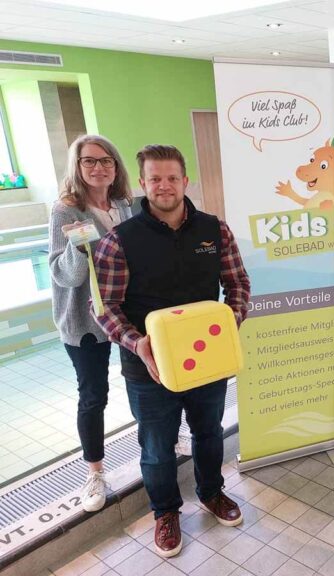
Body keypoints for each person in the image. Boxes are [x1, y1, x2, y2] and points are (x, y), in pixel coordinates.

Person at [93, 145, 251, 558]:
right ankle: (165, 512)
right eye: (155, 179)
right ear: (143, 184)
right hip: (149, 368)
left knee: (210, 433)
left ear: (185, 181)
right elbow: (105, 308)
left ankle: (212, 493)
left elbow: (238, 285)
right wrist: (137, 343)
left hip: (207, 364)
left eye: (172, 178)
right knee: (157, 446)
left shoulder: (215, 230)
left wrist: (227, 326)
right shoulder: (119, 241)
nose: (164, 186)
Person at [48, 135, 134, 512]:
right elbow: (63, 275)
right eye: (89, 161)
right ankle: (95, 472)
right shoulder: (66, 211)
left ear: (116, 167)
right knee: (94, 394)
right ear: (77, 167)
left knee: (143, 379)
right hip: (84, 318)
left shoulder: (124, 206)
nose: (99, 167)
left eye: (106, 160)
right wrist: (78, 246)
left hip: (125, 311)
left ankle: (159, 440)